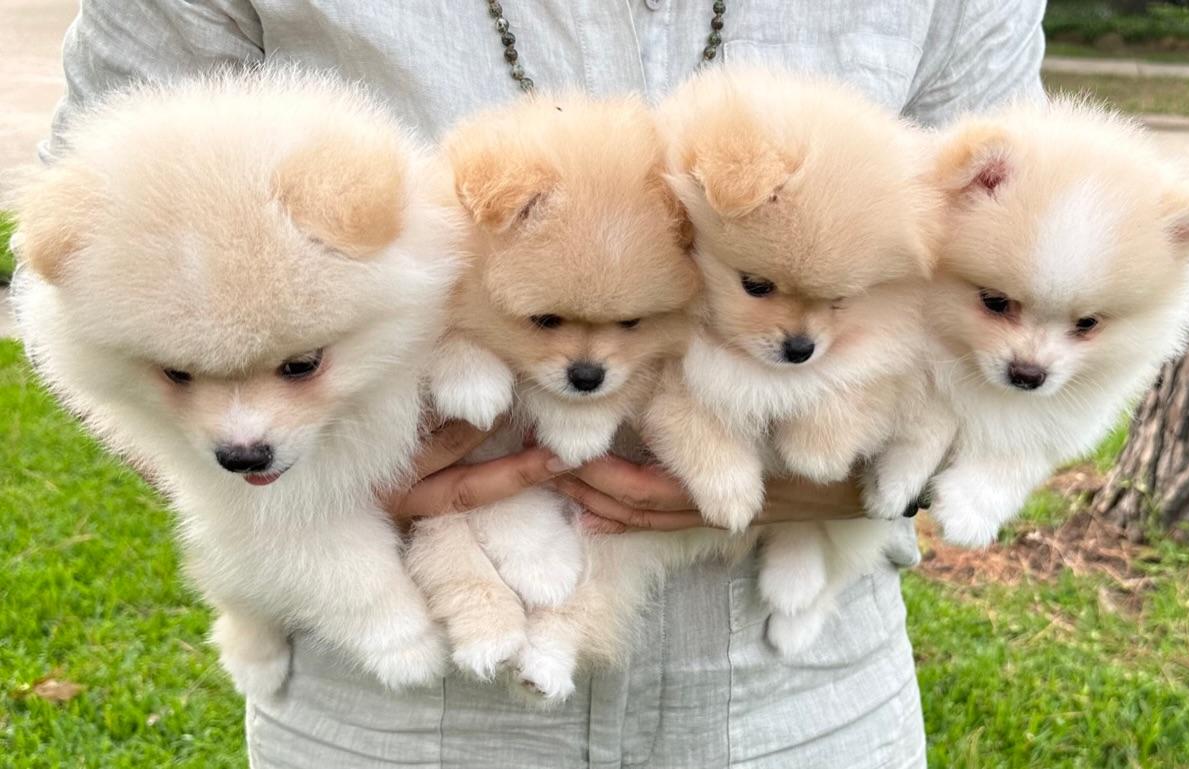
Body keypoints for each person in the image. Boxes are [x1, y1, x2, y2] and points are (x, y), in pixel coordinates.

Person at [46, 2, 1046, 767]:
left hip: (797, 697)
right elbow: (81, 273)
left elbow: (1032, 295)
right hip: (400, 709)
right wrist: (314, 486)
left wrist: (861, 481)